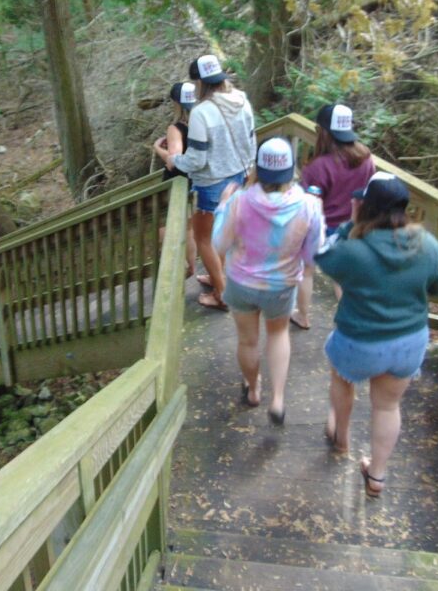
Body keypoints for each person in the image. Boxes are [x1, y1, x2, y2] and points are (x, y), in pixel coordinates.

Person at [314, 172, 438, 496]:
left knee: (341, 379)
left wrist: (349, 225)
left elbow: (322, 256)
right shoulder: (427, 244)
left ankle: (342, 438)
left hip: (359, 341)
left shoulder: (355, 249)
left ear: (365, 206)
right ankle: (376, 476)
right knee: (388, 406)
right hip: (409, 343)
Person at [212, 137, 324, 425]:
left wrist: (222, 206)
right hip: (281, 286)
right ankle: (277, 399)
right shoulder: (309, 205)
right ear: (291, 171)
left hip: (241, 282)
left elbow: (219, 245)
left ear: (258, 169)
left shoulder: (239, 201)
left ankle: (253, 390)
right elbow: (313, 254)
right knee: (278, 335)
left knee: (248, 341)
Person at [155, 55, 256, 310]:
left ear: (199, 82)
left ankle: (222, 295)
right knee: (223, 234)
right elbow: (251, 142)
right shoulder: (242, 100)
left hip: (212, 184)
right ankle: (215, 277)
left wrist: (176, 160)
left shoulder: (201, 112)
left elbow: (197, 160)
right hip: (239, 177)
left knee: (205, 239)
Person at [292, 103, 376, 330]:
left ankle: (303, 316)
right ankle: (357, 319)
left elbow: (306, 204)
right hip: (356, 226)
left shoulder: (317, 168)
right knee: (345, 278)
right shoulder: (367, 159)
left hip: (323, 228)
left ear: (324, 133)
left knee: (306, 270)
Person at [154, 81, 199, 276]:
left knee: (164, 226)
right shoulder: (201, 122)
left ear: (176, 103)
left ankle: (177, 268)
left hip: (177, 183)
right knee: (188, 226)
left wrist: (158, 149)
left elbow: (174, 160)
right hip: (194, 182)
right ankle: (191, 266)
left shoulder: (176, 129)